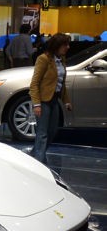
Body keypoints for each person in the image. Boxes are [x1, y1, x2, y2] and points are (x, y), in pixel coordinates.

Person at [29, 33, 72, 164]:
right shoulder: (43, 59)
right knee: (42, 133)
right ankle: (39, 163)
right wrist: (36, 104)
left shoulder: (62, 59)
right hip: (43, 101)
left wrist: (66, 101)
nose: (68, 47)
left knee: (52, 131)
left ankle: (33, 155)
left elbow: (61, 83)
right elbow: (34, 83)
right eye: (65, 45)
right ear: (57, 45)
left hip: (54, 101)